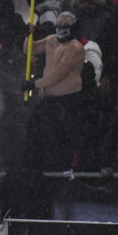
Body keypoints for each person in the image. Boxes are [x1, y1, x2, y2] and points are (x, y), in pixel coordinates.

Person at [22, 11, 87, 170]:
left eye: (66, 25)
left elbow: (59, 74)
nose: (61, 28)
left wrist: (34, 84)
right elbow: (30, 49)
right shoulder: (51, 40)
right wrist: (29, 34)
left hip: (68, 100)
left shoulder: (75, 47)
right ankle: (37, 167)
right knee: (35, 129)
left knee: (62, 138)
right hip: (50, 99)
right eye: (59, 25)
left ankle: (65, 171)